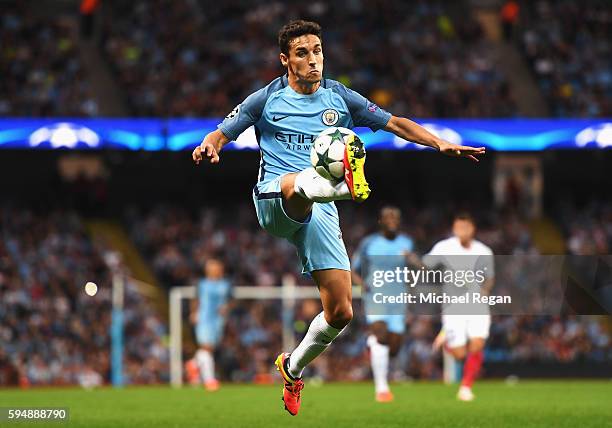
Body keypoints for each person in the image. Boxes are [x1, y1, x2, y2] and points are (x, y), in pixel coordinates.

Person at [192, 20, 485, 416]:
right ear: (285, 60)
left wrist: (439, 143)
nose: (312, 60)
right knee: (301, 186)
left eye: (316, 50)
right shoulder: (265, 100)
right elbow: (222, 132)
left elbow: (395, 122)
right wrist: (210, 145)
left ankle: (292, 368)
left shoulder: (340, 98)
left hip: (320, 210)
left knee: (341, 312)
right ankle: (339, 182)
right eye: (301, 53)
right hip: (276, 196)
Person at [410, 213, 495, 401]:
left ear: (472, 229)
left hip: (477, 305)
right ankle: (448, 340)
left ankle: (465, 387)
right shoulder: (445, 246)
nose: (461, 231)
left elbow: (490, 278)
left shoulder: (484, 251)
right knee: (459, 354)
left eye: (464, 227)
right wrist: (412, 259)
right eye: (457, 227)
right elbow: (425, 265)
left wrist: (485, 291)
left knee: (477, 344)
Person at [351, 206, 414, 402]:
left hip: (398, 299)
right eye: (388, 217)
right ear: (381, 221)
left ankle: (372, 344)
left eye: (395, 217)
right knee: (381, 336)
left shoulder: (407, 243)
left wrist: (412, 262)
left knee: (394, 346)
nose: (392, 221)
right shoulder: (369, 243)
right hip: (376, 297)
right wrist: (364, 285)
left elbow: (418, 268)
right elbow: (353, 269)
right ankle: (382, 388)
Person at [188, 258, 231, 391]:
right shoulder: (201, 284)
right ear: (208, 270)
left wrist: (227, 307)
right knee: (206, 347)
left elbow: (232, 300)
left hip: (218, 321)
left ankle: (193, 364)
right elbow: (195, 300)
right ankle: (209, 380)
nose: (216, 270)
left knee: (209, 349)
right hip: (204, 319)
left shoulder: (226, 285)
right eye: (213, 267)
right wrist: (194, 313)